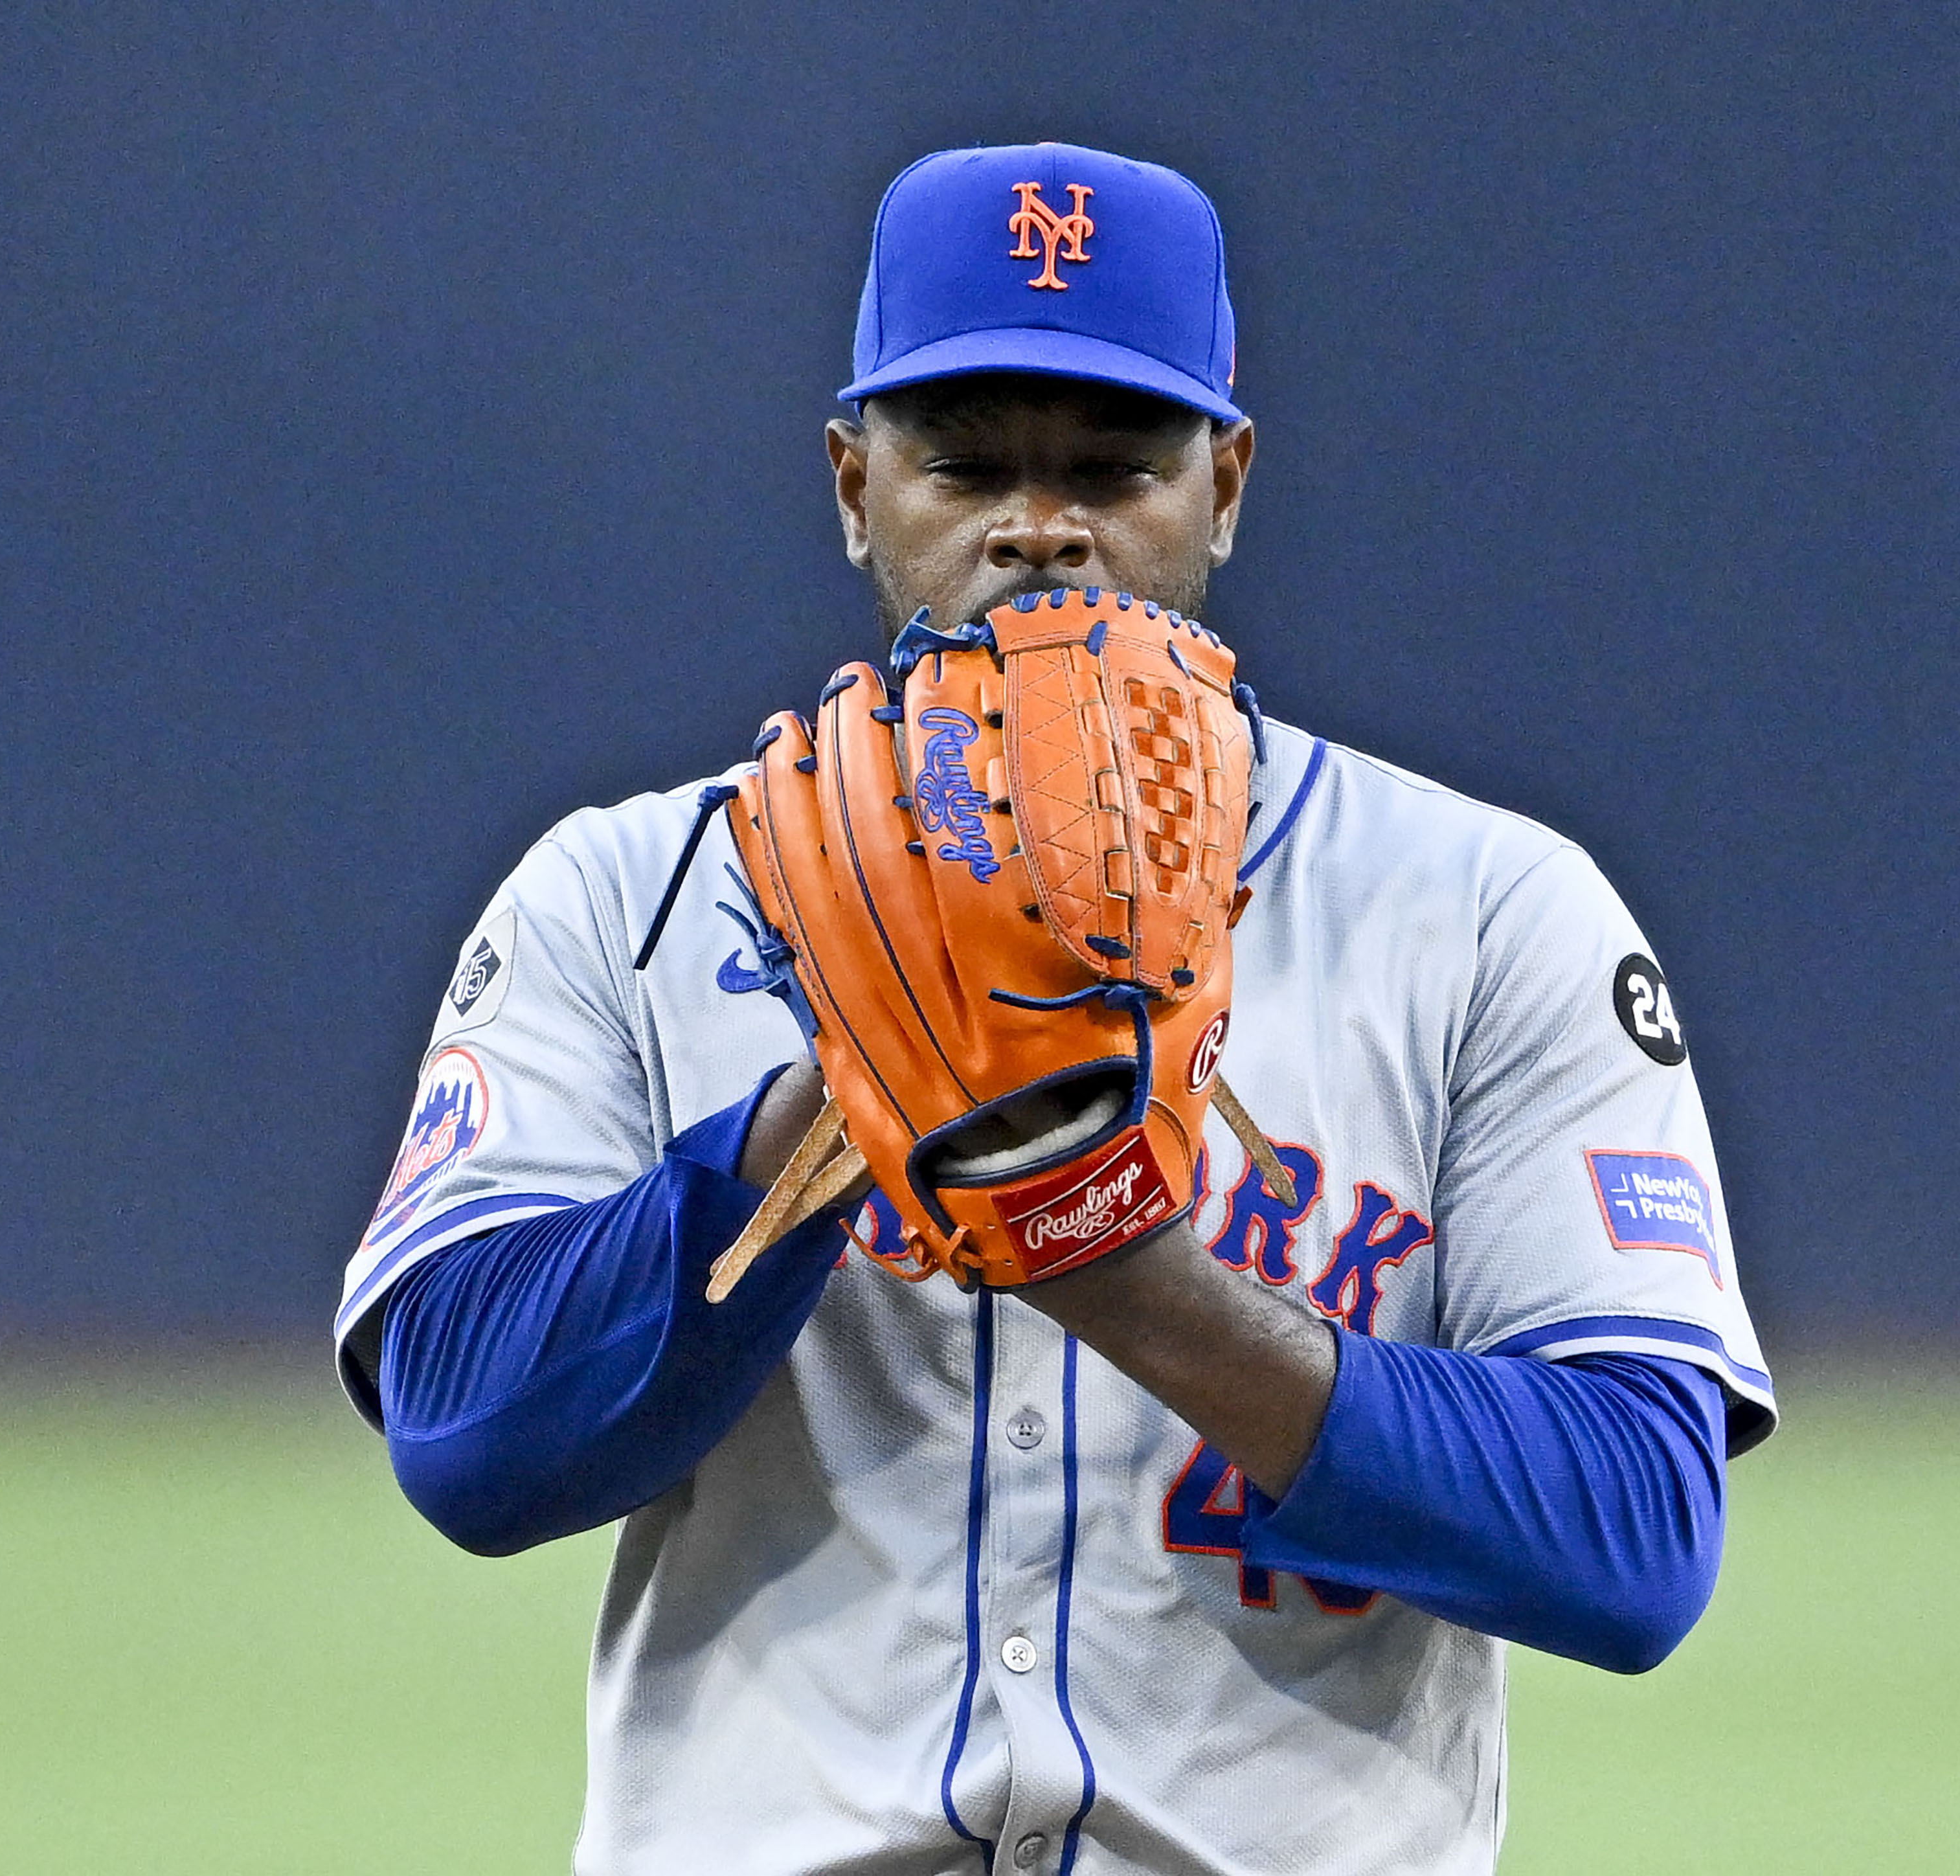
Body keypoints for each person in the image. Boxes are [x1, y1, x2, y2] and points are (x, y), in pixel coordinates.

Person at [335, 141, 1775, 1876]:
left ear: (1224, 482)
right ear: (852, 482)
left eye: (1115, 463)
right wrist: (841, 1105)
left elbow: (1627, 1536)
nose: (1041, 524)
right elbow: (469, 1435)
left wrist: (1100, 1252)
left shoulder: (1480, 910)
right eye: (965, 462)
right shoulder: (631, 889)